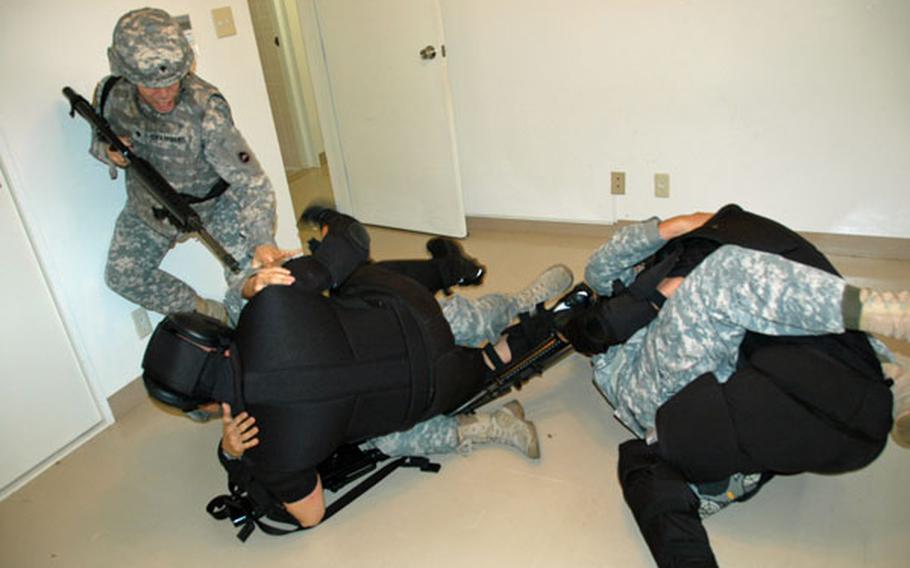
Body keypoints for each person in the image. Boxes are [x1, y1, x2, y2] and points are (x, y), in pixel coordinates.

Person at [143, 207, 574, 528]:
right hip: (414, 318)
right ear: (212, 336)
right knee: (439, 313)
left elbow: (311, 514)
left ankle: (490, 421)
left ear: (203, 404)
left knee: (397, 433)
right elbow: (353, 240)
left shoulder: (267, 450)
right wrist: (269, 276)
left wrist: (236, 458)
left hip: (428, 393)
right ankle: (520, 301)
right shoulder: (271, 301)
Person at [563, 204, 909, 567]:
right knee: (725, 273)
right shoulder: (618, 288)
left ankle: (892, 373)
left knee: (787, 304)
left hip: (724, 372)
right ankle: (886, 332)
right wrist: (678, 229)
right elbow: (602, 266)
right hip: (652, 387)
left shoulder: (700, 259)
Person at [89, 8, 290, 324]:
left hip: (215, 204)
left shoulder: (207, 109)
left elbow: (251, 181)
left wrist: (263, 239)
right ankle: (211, 316)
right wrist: (108, 152)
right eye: (152, 86)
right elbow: (98, 138)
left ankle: (255, 343)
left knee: (257, 284)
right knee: (123, 275)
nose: (165, 94)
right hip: (151, 204)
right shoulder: (111, 95)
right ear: (127, 75)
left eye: (174, 81)